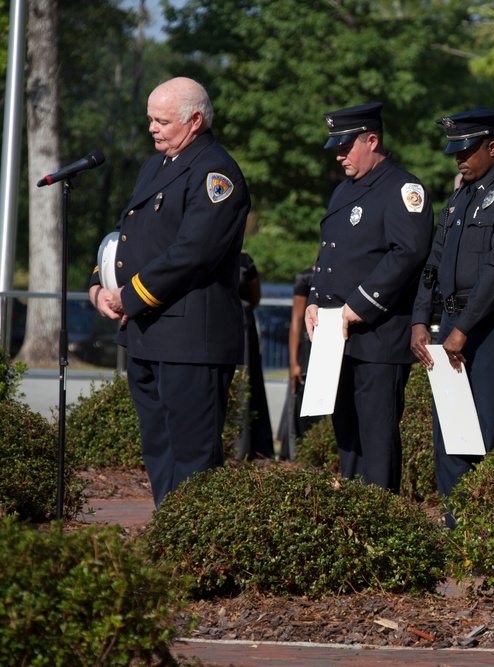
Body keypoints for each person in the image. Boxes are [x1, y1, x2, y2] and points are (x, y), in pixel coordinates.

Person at [89, 77, 250, 507]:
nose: (153, 129)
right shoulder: (154, 166)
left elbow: (191, 254)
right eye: (150, 120)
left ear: (194, 120)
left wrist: (131, 296)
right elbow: (128, 236)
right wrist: (100, 286)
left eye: (162, 121)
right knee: (158, 449)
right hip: (147, 334)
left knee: (192, 455)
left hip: (190, 340)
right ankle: (168, 534)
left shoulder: (217, 172)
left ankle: (195, 546)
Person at [411, 108, 494, 524]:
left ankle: (491, 534)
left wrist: (463, 329)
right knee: (450, 433)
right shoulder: (462, 193)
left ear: (493, 146)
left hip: (485, 329)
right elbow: (435, 261)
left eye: (466, 150)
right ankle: (457, 530)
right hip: (448, 326)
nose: (458, 159)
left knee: (485, 435)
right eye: (454, 151)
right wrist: (419, 320)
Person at [304, 102, 433, 493]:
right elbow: (329, 252)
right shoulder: (344, 189)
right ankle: (353, 525)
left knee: (376, 442)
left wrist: (358, 305)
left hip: (377, 336)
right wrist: (314, 299)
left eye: (346, 147)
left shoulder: (403, 188)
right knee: (348, 439)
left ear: (372, 140)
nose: (339, 155)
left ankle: (382, 521)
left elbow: (407, 253)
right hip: (335, 333)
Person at [278, 265, 322, 461]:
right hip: (307, 348)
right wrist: (293, 361)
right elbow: (296, 319)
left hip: (331, 345)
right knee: (303, 406)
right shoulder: (306, 277)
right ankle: (301, 457)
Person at [232, 252, 274, 460]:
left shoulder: (245, 261)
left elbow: (254, 297)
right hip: (211, 323)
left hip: (242, 324)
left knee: (246, 383)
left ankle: (247, 445)